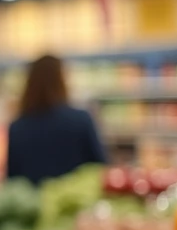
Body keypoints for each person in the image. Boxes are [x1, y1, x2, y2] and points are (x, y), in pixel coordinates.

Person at [6, 54, 107, 185]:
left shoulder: (17, 127)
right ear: (61, 80)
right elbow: (100, 167)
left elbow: (13, 178)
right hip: (76, 201)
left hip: (34, 203)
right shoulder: (81, 120)